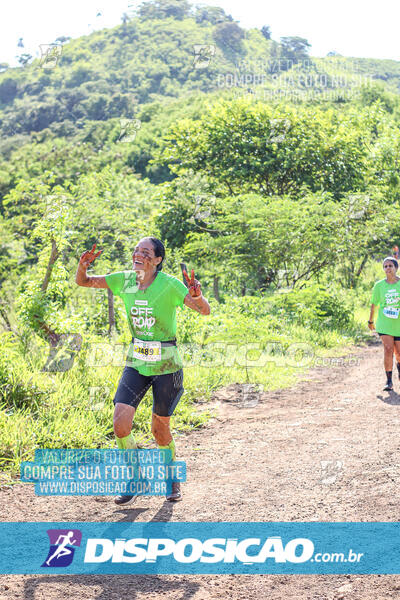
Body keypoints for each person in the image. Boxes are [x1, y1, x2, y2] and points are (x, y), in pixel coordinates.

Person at [76, 238, 210, 504]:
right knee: (120, 423)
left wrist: (197, 296)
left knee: (159, 430)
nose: (139, 255)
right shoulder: (124, 280)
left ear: (157, 260)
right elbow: (85, 281)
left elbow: (203, 310)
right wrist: (82, 266)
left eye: (146, 252)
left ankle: (171, 480)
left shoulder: (169, 284)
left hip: (166, 365)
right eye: (137, 251)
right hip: (137, 361)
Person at [369, 256, 400, 391]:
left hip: (398, 324)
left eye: (390, 266)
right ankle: (388, 380)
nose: (388, 268)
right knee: (388, 349)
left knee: (399, 353)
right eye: (385, 266)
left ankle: (399, 368)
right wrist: (370, 320)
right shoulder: (379, 285)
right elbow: (374, 304)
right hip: (385, 323)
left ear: (396, 268)